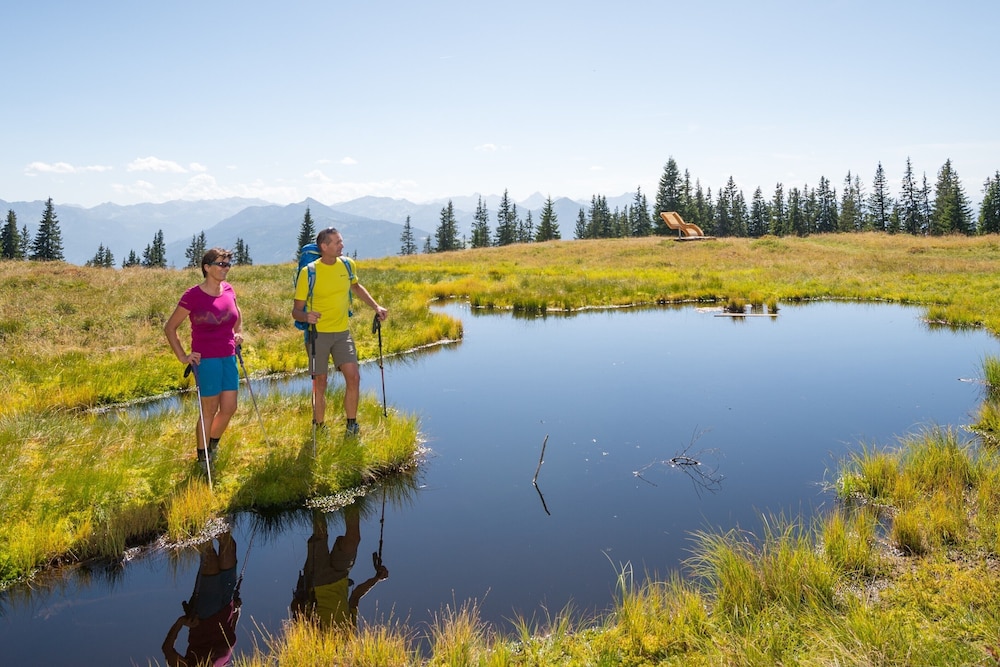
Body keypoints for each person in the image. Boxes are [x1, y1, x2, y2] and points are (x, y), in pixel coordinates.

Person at [292, 228, 387, 436]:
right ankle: (319, 426)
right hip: (317, 335)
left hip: (342, 333)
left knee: (353, 377)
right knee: (321, 382)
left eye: (341, 241)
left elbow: (356, 287)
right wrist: (305, 316)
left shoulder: (347, 265)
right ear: (324, 247)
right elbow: (296, 311)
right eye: (337, 242)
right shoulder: (309, 272)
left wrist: (376, 307)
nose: (341, 245)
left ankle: (351, 425)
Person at [165, 248, 243, 468]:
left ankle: (212, 445)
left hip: (229, 357)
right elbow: (170, 328)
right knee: (208, 410)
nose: (225, 268)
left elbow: (237, 316)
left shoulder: (229, 289)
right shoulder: (193, 296)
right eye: (221, 264)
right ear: (207, 267)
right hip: (206, 361)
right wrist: (183, 356)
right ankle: (202, 459)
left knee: (229, 408)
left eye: (228, 264)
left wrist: (237, 333)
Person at [290, 506, 388, 631]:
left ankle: (318, 494)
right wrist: (376, 579)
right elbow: (355, 597)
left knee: (320, 533)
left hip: (317, 581)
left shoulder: (312, 643)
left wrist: (307, 617)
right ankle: (353, 497)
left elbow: (296, 607)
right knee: (353, 539)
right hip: (341, 577)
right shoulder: (349, 635)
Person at [162, 531, 242, 667]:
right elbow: (229, 634)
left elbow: (167, 650)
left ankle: (200, 521)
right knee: (229, 546)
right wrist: (236, 613)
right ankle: (214, 517)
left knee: (210, 559)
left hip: (206, 613)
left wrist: (181, 622)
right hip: (227, 606)